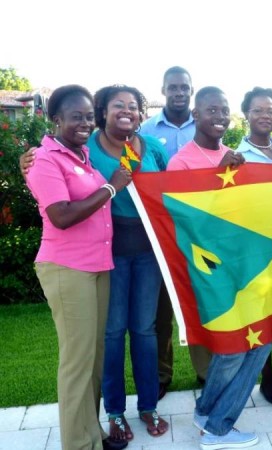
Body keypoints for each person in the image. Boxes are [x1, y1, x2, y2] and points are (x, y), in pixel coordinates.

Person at [24, 84, 131, 450]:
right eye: (76, 117)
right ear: (56, 120)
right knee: (76, 363)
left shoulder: (81, 155)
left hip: (98, 266)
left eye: (89, 116)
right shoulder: (44, 159)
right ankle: (78, 444)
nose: (85, 122)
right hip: (67, 269)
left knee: (94, 359)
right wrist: (112, 188)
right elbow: (61, 216)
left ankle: (92, 431)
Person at [168, 86, 268, 450]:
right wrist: (216, 179)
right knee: (235, 346)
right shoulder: (181, 161)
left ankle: (206, 410)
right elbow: (186, 223)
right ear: (195, 114)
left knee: (259, 338)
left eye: (224, 110)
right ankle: (218, 428)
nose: (220, 116)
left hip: (244, 266)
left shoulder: (236, 155)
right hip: (209, 270)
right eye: (211, 110)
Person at [89, 85, 170, 441]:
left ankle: (149, 406)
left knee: (145, 330)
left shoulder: (152, 148)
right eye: (117, 106)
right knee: (112, 332)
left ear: (141, 114)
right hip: (110, 250)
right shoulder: (86, 148)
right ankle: (115, 412)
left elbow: (170, 190)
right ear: (103, 111)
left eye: (134, 106)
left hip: (149, 252)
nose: (127, 111)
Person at [140, 66, 212, 400]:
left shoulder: (209, 126)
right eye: (173, 87)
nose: (179, 92)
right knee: (161, 311)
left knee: (201, 304)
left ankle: (206, 372)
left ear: (192, 90)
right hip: (159, 234)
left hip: (200, 236)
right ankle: (161, 375)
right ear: (164, 90)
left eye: (185, 87)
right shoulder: (145, 132)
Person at [235, 86, 272, 407]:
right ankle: (266, 377)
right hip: (258, 246)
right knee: (265, 312)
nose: (265, 116)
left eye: (270, 110)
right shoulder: (238, 157)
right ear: (246, 115)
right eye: (257, 110)